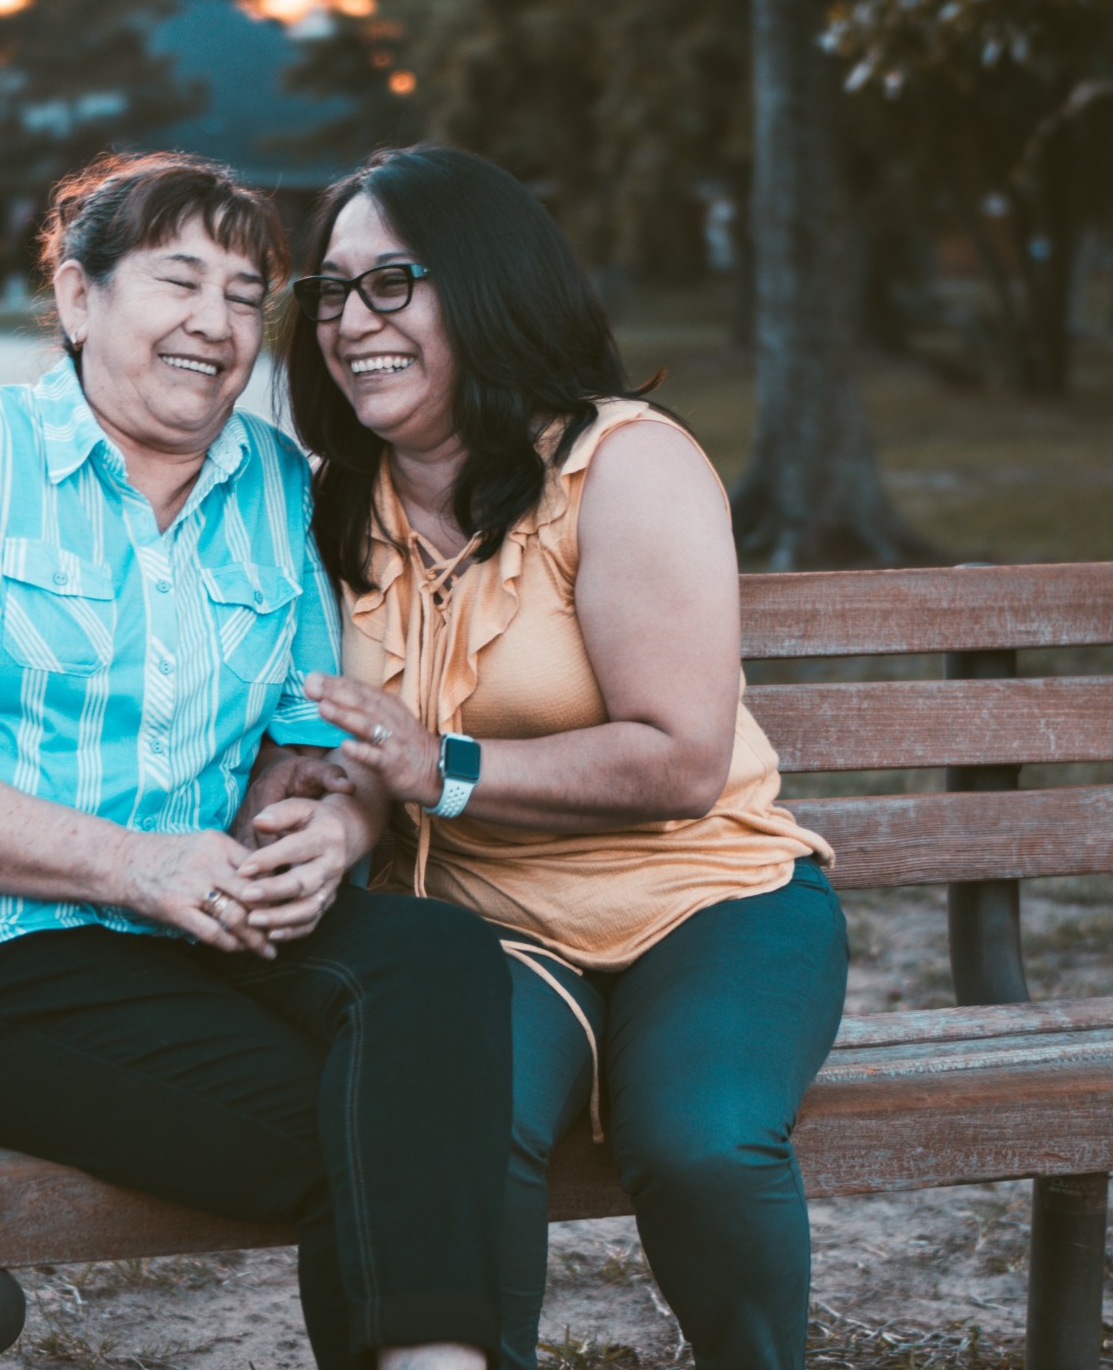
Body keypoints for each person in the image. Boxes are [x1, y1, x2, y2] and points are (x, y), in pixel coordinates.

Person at [0, 152, 509, 1370]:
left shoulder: (276, 484)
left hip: (198, 941)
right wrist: (132, 865)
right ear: (77, 299)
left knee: (435, 955)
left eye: (243, 292)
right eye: (179, 280)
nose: (215, 324)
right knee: (384, 1135)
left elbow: (306, 742)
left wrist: (325, 827)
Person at [279, 146, 849, 1370]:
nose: (350, 322)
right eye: (330, 290)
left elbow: (681, 757)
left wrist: (447, 769)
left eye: (393, 283)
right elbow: (350, 747)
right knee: (447, 1139)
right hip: (484, 926)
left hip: (708, 904)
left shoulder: (623, 464)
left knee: (699, 1140)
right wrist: (328, 808)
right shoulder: (330, 503)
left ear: (484, 287)